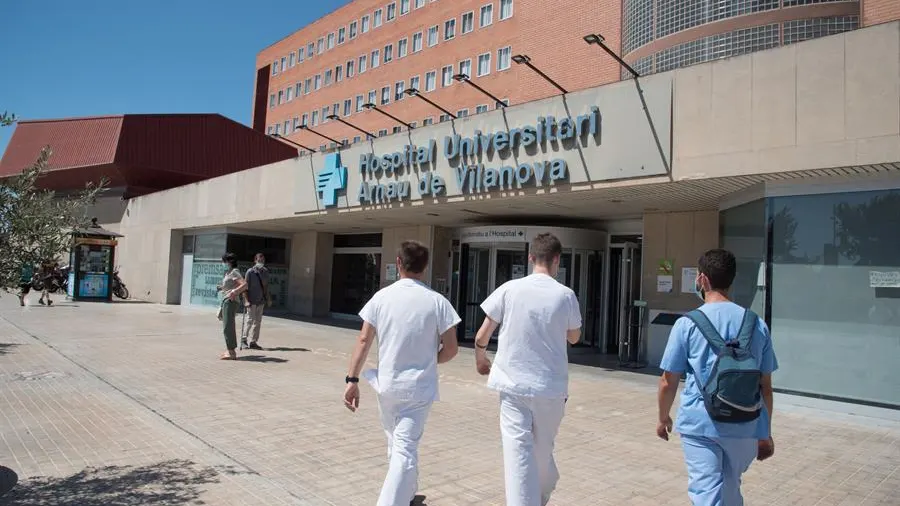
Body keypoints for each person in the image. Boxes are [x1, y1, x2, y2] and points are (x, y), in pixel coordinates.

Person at [656, 248, 778, 506]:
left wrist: (663, 417)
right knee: (730, 488)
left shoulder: (687, 324)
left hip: (701, 424)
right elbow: (766, 387)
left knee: (707, 493)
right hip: (747, 423)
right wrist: (765, 432)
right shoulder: (756, 324)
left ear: (702, 279)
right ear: (731, 280)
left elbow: (668, 380)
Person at [343, 240, 460, 506]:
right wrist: (432, 360)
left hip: (388, 387)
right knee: (404, 447)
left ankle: (407, 492)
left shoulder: (381, 298)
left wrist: (352, 379)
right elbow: (451, 349)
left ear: (398, 264)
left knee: (396, 443)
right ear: (425, 267)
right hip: (419, 389)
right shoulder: (438, 302)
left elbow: (363, 340)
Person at [473, 232, 582, 506]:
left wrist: (481, 358)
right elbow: (574, 337)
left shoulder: (509, 289)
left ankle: (533, 495)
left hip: (512, 386)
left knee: (518, 455)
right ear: (557, 260)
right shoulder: (565, 295)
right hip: (551, 388)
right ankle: (539, 494)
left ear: (531, 257)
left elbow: (481, 336)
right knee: (541, 451)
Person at [216, 253, 246, 360]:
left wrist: (234, 291)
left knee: (228, 326)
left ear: (229, 262)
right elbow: (229, 286)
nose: (222, 264)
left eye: (223, 261)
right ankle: (229, 349)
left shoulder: (234, 272)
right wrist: (221, 288)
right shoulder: (228, 273)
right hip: (226, 300)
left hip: (231, 301)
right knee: (226, 325)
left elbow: (244, 284)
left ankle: (231, 352)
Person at [241, 252, 271, 351]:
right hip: (251, 300)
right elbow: (245, 287)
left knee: (257, 322)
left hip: (261, 301)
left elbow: (266, 287)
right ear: (255, 260)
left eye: (263, 261)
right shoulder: (250, 272)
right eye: (259, 260)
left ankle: (253, 341)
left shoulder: (265, 271)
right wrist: (246, 300)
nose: (261, 262)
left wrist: (268, 298)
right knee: (250, 320)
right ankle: (244, 339)